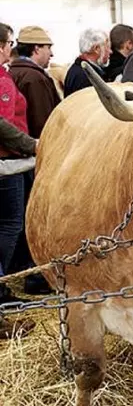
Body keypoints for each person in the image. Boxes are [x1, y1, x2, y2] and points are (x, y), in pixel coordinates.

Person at [0, 24, 46, 332]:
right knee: (10, 225)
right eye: (7, 43)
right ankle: (3, 285)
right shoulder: (3, 80)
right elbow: (2, 124)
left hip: (11, 160)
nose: (9, 48)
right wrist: (35, 145)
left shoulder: (7, 75)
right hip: (7, 163)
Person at [9, 26, 60, 139]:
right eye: (48, 47)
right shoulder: (35, 78)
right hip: (36, 148)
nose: (51, 54)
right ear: (36, 49)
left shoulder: (12, 73)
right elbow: (43, 123)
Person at [63, 28, 111, 97]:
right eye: (108, 47)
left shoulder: (80, 70)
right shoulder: (85, 75)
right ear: (97, 49)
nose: (110, 51)